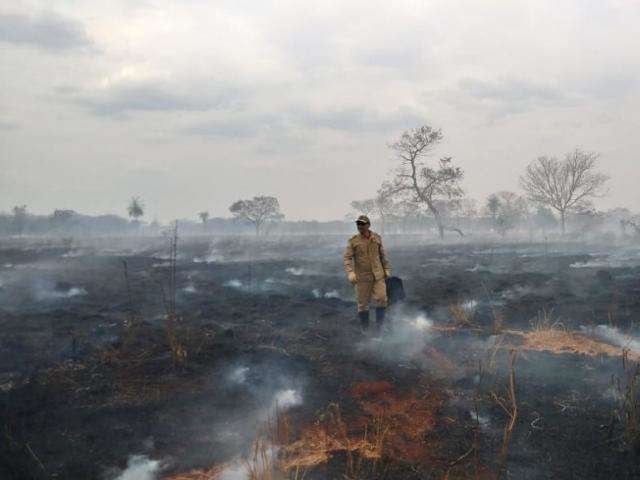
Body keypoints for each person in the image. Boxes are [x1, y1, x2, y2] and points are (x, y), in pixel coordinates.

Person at [343, 215, 391, 332]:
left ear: (368, 225)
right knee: (363, 304)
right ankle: (365, 330)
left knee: (382, 299)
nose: (360, 226)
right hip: (362, 277)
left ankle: (379, 328)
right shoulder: (354, 241)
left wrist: (386, 268)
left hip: (378, 276)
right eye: (358, 224)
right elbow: (347, 258)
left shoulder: (377, 238)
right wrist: (350, 272)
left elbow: (382, 255)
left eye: (363, 224)